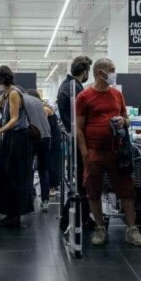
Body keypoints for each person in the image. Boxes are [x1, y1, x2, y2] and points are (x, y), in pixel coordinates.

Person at [75, 58, 141, 247]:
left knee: (127, 189)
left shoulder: (117, 95)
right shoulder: (84, 96)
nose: (115, 73)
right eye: (112, 70)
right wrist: (85, 155)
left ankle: (132, 229)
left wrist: (123, 122)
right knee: (93, 191)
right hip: (94, 153)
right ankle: (100, 228)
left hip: (117, 152)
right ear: (100, 73)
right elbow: (79, 128)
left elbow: (127, 119)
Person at [0, 66, 35, 227]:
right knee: (9, 175)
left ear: (2, 80)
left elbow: (13, 119)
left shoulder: (13, 93)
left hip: (18, 139)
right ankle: (12, 213)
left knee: (14, 176)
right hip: (13, 138)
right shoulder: (8, 93)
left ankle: (14, 215)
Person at [57, 56, 93, 227]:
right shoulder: (75, 88)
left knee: (80, 182)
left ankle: (81, 217)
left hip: (74, 139)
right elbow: (80, 118)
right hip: (79, 140)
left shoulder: (68, 85)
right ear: (85, 71)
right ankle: (73, 219)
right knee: (82, 182)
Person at [27, 89, 55, 212]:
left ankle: (30, 194)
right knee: (43, 170)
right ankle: (45, 201)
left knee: (29, 168)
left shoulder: (29, 106)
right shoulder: (42, 106)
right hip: (47, 138)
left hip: (34, 137)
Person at [57, 55, 92, 132]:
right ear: (85, 72)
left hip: (72, 130)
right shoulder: (75, 87)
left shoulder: (65, 84)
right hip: (77, 132)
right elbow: (82, 112)